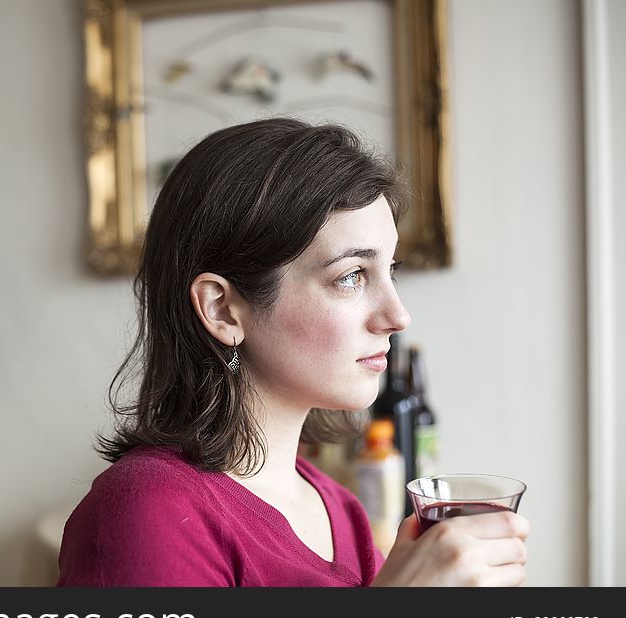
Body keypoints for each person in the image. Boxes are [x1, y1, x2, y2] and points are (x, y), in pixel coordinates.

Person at [57, 118, 529, 586]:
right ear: (222, 310)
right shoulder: (146, 512)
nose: (398, 315)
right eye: (351, 276)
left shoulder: (339, 509)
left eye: (391, 271)